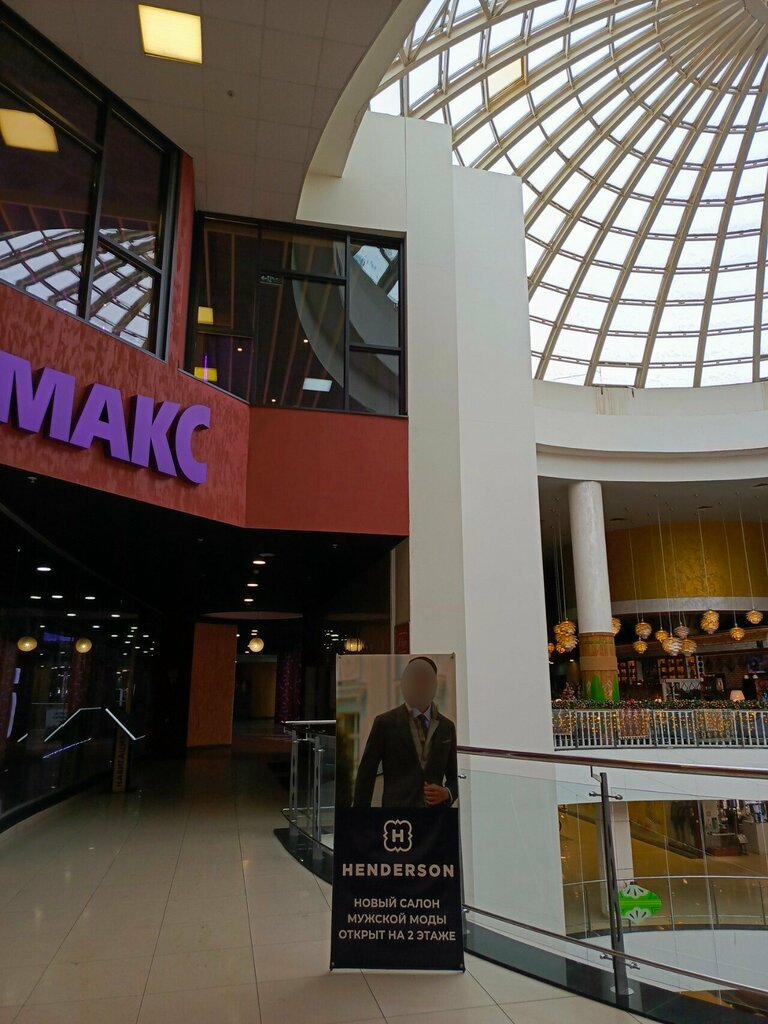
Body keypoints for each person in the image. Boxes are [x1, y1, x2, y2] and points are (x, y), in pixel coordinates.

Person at [352, 657, 458, 808]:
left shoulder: (447, 727)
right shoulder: (385, 723)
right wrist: (360, 818)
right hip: (397, 816)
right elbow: (366, 776)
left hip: (435, 817)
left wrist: (447, 793)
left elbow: (454, 777)